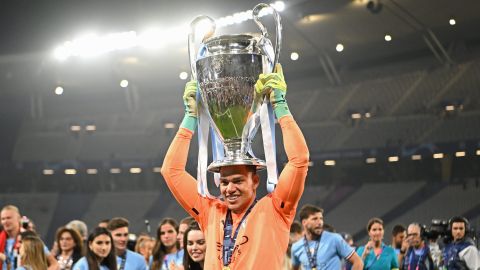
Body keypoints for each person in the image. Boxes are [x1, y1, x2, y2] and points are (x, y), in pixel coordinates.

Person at [161, 63, 310, 269]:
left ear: (255, 180)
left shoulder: (276, 209)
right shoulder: (210, 211)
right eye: (224, 182)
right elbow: (171, 171)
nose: (229, 189)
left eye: (237, 181)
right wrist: (190, 117)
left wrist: (280, 107)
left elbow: (299, 160)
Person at [291, 205, 363, 270]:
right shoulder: (296, 247)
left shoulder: (334, 239)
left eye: (321, 218)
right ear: (304, 222)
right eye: (315, 219)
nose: (320, 222)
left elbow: (358, 262)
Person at [0, 205, 58, 270]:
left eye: (9, 218)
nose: (5, 221)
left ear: (18, 218)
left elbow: (55, 264)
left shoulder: (30, 238)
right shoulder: (0, 240)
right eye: (3, 219)